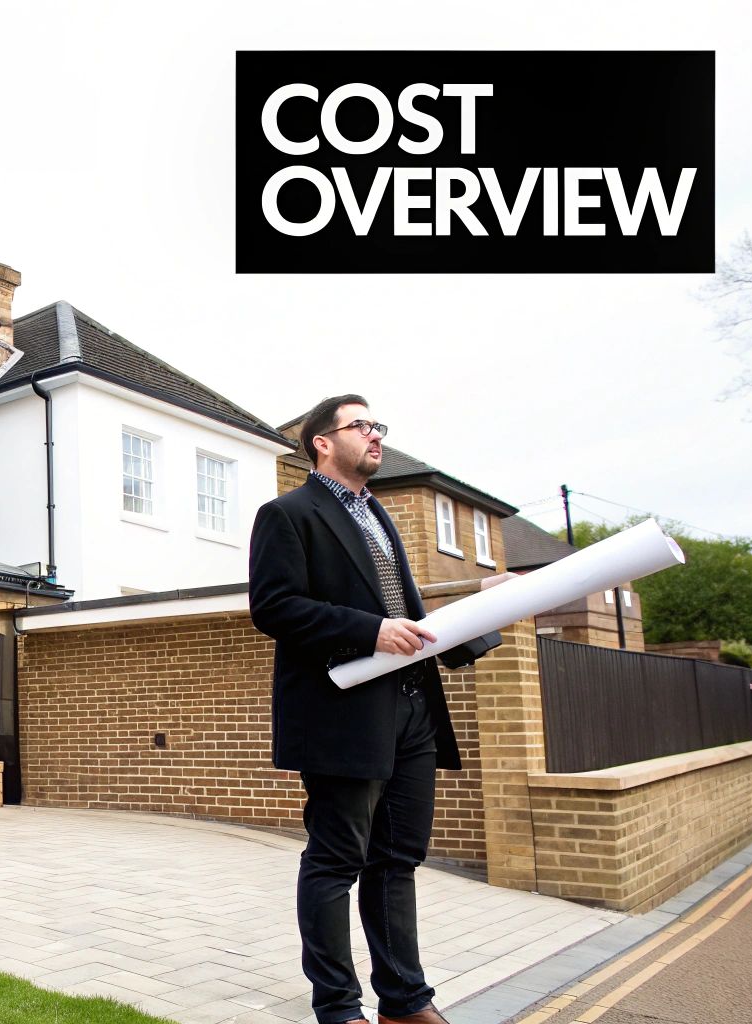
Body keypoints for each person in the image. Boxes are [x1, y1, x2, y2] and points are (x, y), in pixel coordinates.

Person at [248, 394, 504, 1024]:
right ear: (322, 442)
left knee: (396, 861)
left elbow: (406, 612)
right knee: (336, 860)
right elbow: (274, 607)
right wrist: (368, 632)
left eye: (378, 426)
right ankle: (338, 1008)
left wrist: (479, 615)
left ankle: (405, 1002)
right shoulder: (287, 514)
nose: (376, 435)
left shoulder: (379, 514)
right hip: (345, 713)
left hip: (413, 706)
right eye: (361, 425)